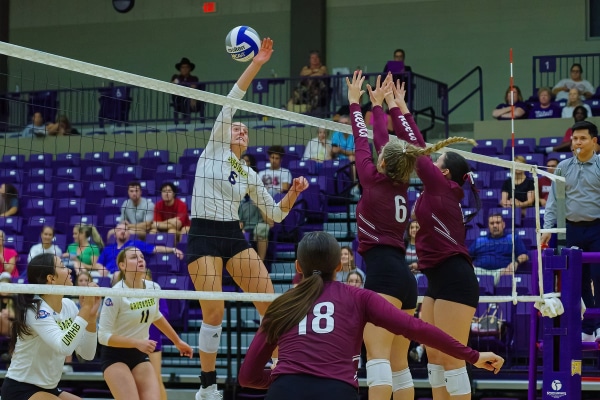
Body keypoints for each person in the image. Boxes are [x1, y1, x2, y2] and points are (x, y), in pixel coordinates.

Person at [237, 232, 504, 400]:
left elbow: (247, 376)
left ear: (297, 267)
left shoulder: (280, 305)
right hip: (337, 392)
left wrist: (282, 378)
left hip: (284, 391)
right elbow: (416, 328)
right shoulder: (359, 297)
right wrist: (473, 355)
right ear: (340, 267)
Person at [186, 38, 309, 400]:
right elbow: (234, 97)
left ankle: (281, 364)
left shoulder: (250, 174)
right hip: (203, 234)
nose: (240, 129)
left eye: (245, 129)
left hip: (232, 235)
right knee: (214, 311)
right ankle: (207, 384)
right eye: (236, 127)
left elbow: (273, 215)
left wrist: (294, 193)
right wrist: (258, 62)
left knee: (271, 304)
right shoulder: (213, 150)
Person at [347, 72, 424, 400]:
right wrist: (380, 106)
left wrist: (356, 102)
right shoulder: (402, 181)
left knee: (377, 359)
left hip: (383, 276)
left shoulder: (371, 179)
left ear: (382, 162)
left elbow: (363, 139)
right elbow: (381, 142)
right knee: (398, 363)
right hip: (405, 281)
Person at [411, 125, 483, 397]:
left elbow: (418, 149)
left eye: (437, 159)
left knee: (452, 358)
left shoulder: (441, 188)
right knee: (435, 358)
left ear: (443, 172)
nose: (432, 158)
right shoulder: (438, 190)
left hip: (455, 279)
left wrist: (399, 108)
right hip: (436, 281)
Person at [1, 254, 100, 400]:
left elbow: (87, 354)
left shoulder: (69, 306)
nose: (70, 270)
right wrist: (85, 310)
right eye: (63, 266)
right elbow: (64, 347)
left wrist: (90, 319)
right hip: (20, 388)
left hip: (49, 388)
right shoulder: (35, 310)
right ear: (51, 278)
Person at [98, 247, 193, 400]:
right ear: (122, 265)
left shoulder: (153, 287)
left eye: (141, 256)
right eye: (134, 257)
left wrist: (178, 341)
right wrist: (136, 342)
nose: (140, 259)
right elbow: (102, 336)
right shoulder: (115, 293)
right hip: (115, 356)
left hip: (139, 356)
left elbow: (156, 315)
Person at [541, 121, 600, 342]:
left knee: (598, 275)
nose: (577, 142)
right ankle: (588, 326)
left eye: (582, 138)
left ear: (594, 142)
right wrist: (547, 228)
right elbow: (553, 202)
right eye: (574, 138)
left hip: (597, 228)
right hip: (572, 229)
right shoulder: (563, 167)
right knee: (579, 278)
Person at [96, 223, 184, 279]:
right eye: (119, 230)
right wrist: (101, 268)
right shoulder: (108, 248)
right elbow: (99, 262)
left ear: (129, 234)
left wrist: (173, 249)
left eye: (125, 230)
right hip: (106, 275)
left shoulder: (136, 244)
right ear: (114, 234)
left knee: (117, 275)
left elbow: (155, 249)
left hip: (124, 275)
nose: (123, 232)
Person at [469, 214, 529, 285]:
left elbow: (524, 256)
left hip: (502, 272)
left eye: (498, 223)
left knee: (508, 275)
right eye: (492, 223)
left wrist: (516, 262)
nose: (495, 226)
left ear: (503, 225)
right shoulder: (479, 240)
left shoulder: (512, 238)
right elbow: (467, 256)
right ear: (488, 226)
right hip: (479, 272)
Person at [145, 269, 170, 400]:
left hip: (153, 339)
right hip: (134, 341)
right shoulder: (128, 292)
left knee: (156, 378)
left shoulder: (156, 292)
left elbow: (164, 313)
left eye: (145, 277)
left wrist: (148, 315)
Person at [239, 195, 272, 261]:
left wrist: (260, 206)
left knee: (261, 229)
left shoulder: (264, 200)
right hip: (246, 229)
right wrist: (241, 230)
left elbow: (270, 223)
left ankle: (261, 262)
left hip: (260, 227)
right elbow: (239, 222)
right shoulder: (241, 202)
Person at [171, 57, 202, 125]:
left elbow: (194, 88)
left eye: (187, 67)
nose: (185, 69)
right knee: (184, 99)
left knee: (188, 99)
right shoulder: (176, 77)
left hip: (191, 99)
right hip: (179, 100)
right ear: (180, 69)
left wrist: (191, 97)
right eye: (183, 67)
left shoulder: (194, 78)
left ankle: (187, 121)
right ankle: (185, 120)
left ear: (190, 69)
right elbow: (174, 87)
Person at [0, 271, 15, 337]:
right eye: (2, 287)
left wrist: (11, 314)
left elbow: (22, 317)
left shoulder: (15, 299)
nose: (3, 290)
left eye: (5, 287)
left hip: (13, 327)